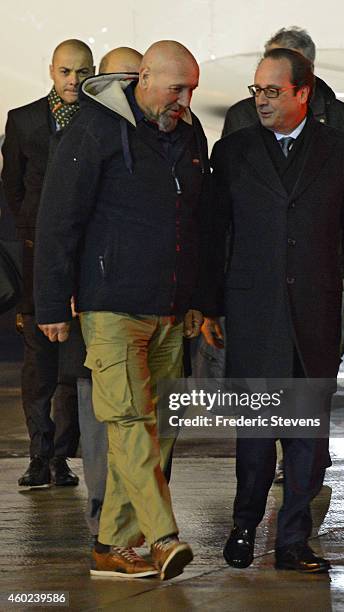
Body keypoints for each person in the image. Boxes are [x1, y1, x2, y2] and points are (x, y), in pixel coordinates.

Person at [34, 40, 211, 580]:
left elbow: (199, 223)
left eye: (191, 91)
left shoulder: (188, 134)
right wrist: (50, 302)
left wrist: (200, 301)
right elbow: (57, 220)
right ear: (145, 78)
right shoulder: (94, 129)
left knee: (160, 428)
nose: (184, 101)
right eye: (177, 89)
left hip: (169, 312)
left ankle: (112, 544)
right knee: (129, 420)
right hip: (110, 309)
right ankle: (162, 536)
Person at [209, 48, 344, 573]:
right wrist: (209, 306)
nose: (260, 100)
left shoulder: (339, 149)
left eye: (272, 91)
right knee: (257, 434)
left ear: (303, 93)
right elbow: (215, 235)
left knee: (308, 436)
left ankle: (292, 541)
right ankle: (244, 526)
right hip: (254, 311)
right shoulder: (234, 152)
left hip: (314, 308)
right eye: (256, 90)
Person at [1, 39, 95, 488]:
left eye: (80, 71)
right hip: (39, 259)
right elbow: (12, 188)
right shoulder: (23, 120)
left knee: (74, 369)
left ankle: (60, 458)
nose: (73, 80)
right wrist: (33, 231)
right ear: (51, 71)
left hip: (85, 261)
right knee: (40, 366)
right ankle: (39, 455)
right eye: (65, 72)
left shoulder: (101, 118)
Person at [75, 45, 144, 543]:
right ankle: (108, 506)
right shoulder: (89, 132)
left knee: (143, 416)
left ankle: (130, 515)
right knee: (108, 410)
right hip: (100, 297)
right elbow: (60, 220)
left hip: (153, 304)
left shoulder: (167, 131)